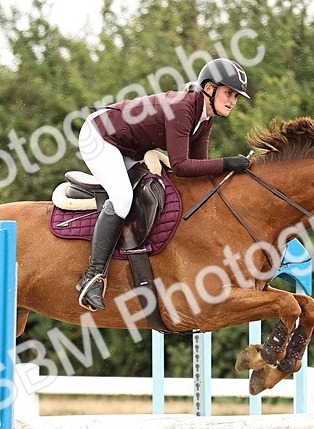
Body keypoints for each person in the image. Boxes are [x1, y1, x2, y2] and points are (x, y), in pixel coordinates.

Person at [74, 58, 252, 311]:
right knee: (123, 198)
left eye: (236, 96)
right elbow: (181, 165)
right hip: (99, 136)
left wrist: (233, 175)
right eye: (229, 93)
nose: (233, 101)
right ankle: (92, 277)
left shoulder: (204, 118)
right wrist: (227, 163)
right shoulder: (183, 108)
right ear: (209, 89)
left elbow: (196, 170)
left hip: (128, 148)